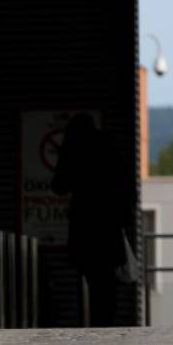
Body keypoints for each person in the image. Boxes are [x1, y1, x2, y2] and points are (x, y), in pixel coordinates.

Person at [51, 112, 134, 327]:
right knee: (108, 280)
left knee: (91, 276)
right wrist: (125, 219)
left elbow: (59, 185)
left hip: (84, 226)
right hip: (109, 225)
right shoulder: (110, 145)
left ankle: (94, 322)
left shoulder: (75, 147)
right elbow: (126, 186)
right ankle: (106, 323)